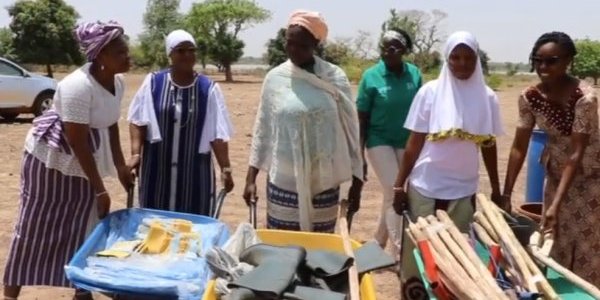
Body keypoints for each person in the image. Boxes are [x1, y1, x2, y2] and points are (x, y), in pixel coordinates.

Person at [3, 21, 132, 300]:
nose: (128, 55)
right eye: (121, 51)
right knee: (34, 225)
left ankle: (81, 291)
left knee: (86, 223)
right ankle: (10, 294)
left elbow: (111, 125)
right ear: (100, 56)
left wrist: (121, 167)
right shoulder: (77, 86)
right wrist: (100, 188)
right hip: (51, 160)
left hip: (85, 158)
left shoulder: (117, 83)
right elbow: (76, 140)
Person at [392, 31, 504, 298]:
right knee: (419, 253)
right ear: (447, 59)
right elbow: (413, 145)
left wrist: (497, 190)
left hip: (463, 189)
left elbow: (489, 146)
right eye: (456, 57)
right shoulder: (429, 92)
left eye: (468, 57)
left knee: (458, 255)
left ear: (477, 59)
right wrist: (398, 186)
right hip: (426, 185)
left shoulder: (487, 97)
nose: (462, 63)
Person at [243, 10, 364, 233]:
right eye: (290, 43)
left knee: (319, 255)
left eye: (302, 45)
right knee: (283, 250)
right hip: (284, 183)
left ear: (315, 45)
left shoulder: (334, 77)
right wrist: (251, 178)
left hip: (324, 182)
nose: (294, 50)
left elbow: (351, 130)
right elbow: (263, 129)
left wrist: (357, 182)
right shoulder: (275, 79)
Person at [503, 32, 600, 287]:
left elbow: (576, 153)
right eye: (538, 61)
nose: (543, 68)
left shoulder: (585, 98)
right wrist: (505, 192)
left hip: (591, 178)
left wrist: (556, 204)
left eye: (552, 61)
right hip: (557, 173)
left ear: (568, 60)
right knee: (554, 241)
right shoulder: (529, 97)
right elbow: (518, 146)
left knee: (588, 248)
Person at [127, 29, 234, 216]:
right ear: (170, 54)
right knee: (154, 225)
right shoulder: (153, 83)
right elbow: (138, 120)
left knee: (193, 228)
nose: (187, 55)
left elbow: (217, 134)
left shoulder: (208, 89)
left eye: (191, 50)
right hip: (157, 170)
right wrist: (136, 153)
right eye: (181, 50)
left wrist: (226, 168)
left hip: (195, 174)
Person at [356, 28, 422, 258]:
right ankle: (398, 252)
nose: (388, 51)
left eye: (394, 47)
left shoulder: (414, 74)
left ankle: (377, 243)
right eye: (384, 47)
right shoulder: (371, 76)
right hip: (378, 140)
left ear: (404, 50)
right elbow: (362, 117)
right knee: (394, 190)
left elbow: (422, 111)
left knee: (391, 193)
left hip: (406, 141)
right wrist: (359, 154)